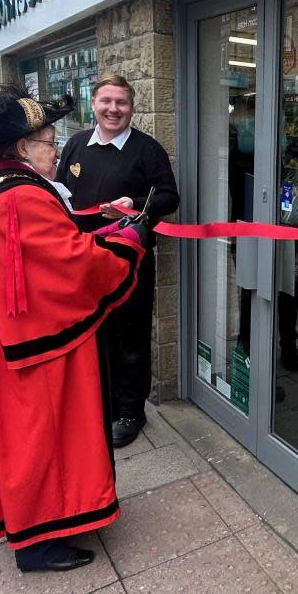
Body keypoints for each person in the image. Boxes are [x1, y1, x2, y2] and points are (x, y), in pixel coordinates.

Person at [0, 83, 146, 572]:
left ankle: (41, 525)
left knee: (32, 437)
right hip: (36, 352)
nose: (56, 151)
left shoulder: (7, 189)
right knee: (39, 437)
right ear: (22, 147)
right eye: (48, 142)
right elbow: (72, 264)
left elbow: (48, 244)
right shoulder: (21, 197)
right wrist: (129, 242)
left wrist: (100, 227)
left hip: (13, 338)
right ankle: (38, 542)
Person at [56, 75, 178, 448]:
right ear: (92, 104)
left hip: (128, 262)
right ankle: (103, 405)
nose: (113, 109)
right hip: (82, 260)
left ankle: (130, 412)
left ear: (132, 107)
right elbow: (60, 193)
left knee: (130, 337)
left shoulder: (147, 150)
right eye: (106, 101)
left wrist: (137, 206)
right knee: (93, 335)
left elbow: (171, 198)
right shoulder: (77, 144)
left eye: (121, 103)